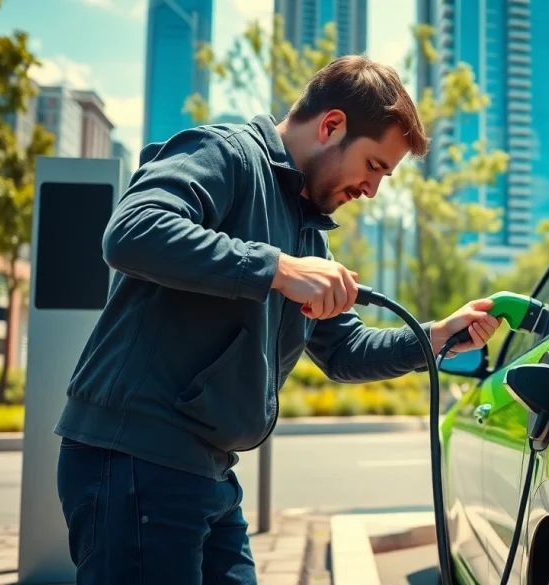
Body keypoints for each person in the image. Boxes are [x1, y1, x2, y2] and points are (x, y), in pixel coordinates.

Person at [53, 55, 502, 584]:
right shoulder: (225, 154)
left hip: (210, 472)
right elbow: (133, 231)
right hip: (137, 460)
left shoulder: (309, 230)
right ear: (331, 125)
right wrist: (278, 269)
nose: (372, 189)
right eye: (375, 166)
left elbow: (340, 350)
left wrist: (433, 338)